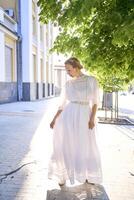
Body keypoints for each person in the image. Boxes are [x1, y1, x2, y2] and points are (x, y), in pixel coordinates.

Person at [49, 57, 102, 186]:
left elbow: (95, 102)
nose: (67, 72)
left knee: (86, 144)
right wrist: (54, 119)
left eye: (69, 70)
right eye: (66, 70)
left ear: (76, 67)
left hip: (85, 115)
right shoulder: (68, 84)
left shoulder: (91, 80)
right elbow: (62, 104)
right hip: (68, 116)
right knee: (67, 144)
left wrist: (92, 119)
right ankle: (64, 175)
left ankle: (88, 175)